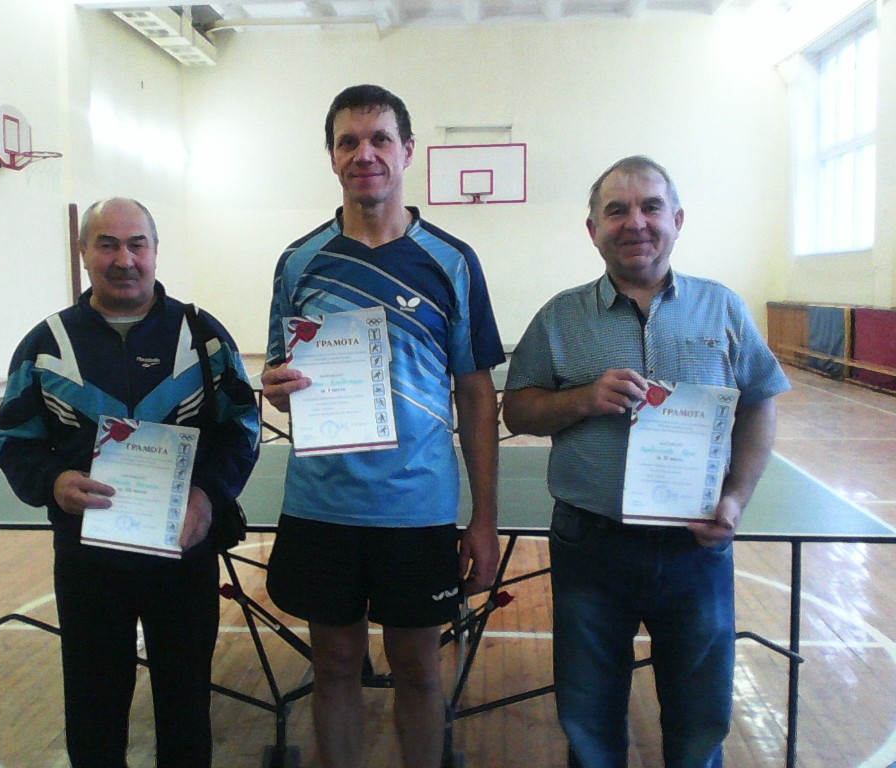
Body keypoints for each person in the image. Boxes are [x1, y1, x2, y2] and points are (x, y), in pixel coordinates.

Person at [502, 156, 790, 768]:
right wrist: (583, 399)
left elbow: (761, 400)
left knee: (699, 722)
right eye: (617, 210)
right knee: (589, 721)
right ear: (593, 229)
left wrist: (735, 497)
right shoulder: (560, 317)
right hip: (590, 543)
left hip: (695, 549)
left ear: (677, 220)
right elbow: (518, 410)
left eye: (651, 207)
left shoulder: (722, 309)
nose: (635, 222)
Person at [260, 84, 505, 768]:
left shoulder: (451, 261)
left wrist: (484, 519)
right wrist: (278, 390)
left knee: (419, 668)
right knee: (335, 665)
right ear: (332, 156)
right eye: (348, 141)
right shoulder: (299, 262)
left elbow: (476, 395)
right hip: (323, 504)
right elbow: (282, 378)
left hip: (417, 507)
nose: (364, 154)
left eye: (379, 139)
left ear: (408, 151)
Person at [0, 197, 260, 768]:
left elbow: (242, 427)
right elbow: (12, 437)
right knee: (93, 707)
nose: (124, 259)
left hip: (184, 552)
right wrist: (54, 481)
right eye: (107, 244)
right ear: (83, 252)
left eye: (137, 244)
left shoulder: (203, 336)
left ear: (155, 251)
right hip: (87, 559)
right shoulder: (46, 345)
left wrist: (209, 496)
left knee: (186, 708)